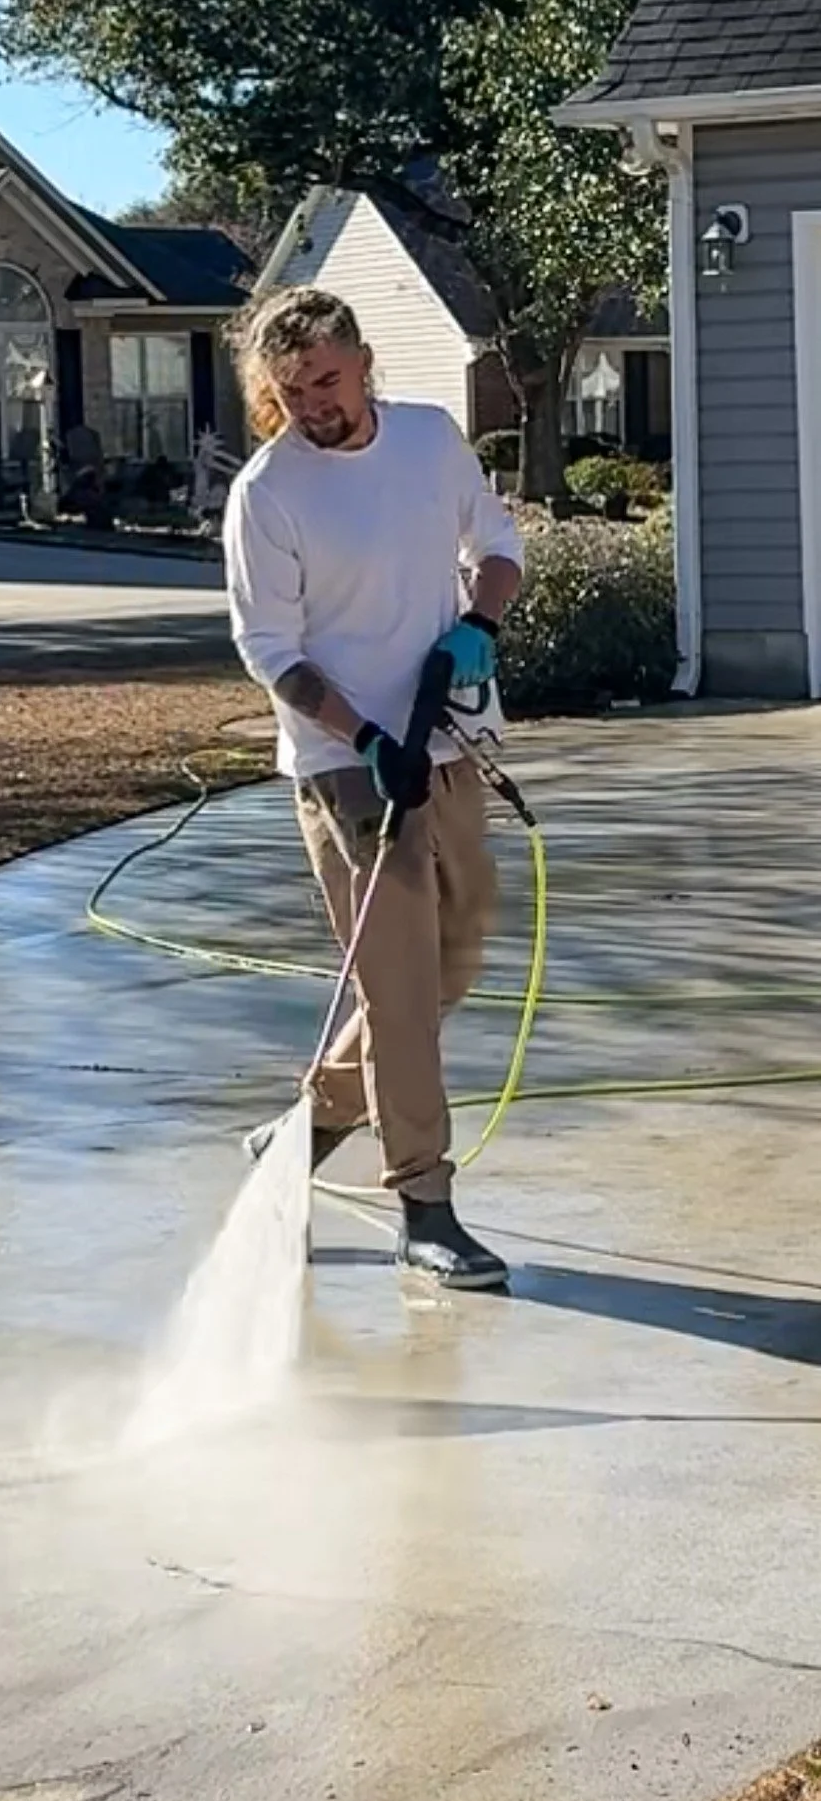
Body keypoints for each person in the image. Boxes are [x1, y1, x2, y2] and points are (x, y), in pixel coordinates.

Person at [222, 286, 523, 1290]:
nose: (312, 403)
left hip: (447, 743)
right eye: (291, 388)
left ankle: (299, 1136)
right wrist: (359, 735)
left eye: (326, 380)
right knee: (396, 986)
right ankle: (424, 1208)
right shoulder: (267, 492)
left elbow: (497, 545)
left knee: (455, 960)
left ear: (363, 362)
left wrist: (477, 622)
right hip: (345, 765)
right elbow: (271, 650)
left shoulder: (432, 441)